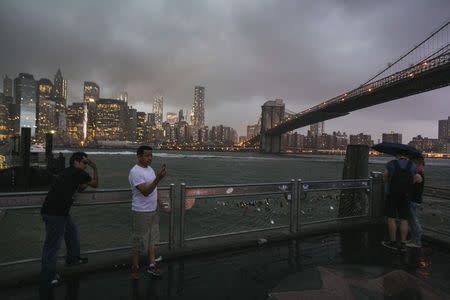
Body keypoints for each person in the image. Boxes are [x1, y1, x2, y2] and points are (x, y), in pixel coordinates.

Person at [40, 152, 98, 287]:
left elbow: (81, 187)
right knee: (52, 246)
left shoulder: (68, 171)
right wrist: (94, 167)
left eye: (87, 163)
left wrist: (84, 182)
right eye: (85, 163)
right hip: (56, 214)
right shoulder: (78, 172)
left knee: (72, 231)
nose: (86, 165)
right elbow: (95, 184)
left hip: (57, 212)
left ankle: (73, 259)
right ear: (76, 162)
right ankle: (48, 277)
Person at [129, 146, 168, 279]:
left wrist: (160, 202)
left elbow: (154, 189)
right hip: (140, 211)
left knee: (152, 241)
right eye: (146, 156)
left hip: (153, 210)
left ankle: (152, 265)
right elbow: (145, 192)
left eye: (151, 155)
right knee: (138, 241)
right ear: (139, 156)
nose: (149, 158)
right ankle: (135, 267)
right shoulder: (135, 172)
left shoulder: (150, 169)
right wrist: (158, 178)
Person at [382, 153, 416, 251]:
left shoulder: (391, 164)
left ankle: (392, 242)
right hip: (406, 195)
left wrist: (388, 181)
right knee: (404, 219)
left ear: (397, 155)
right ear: (407, 155)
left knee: (391, 218)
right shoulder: (412, 165)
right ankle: (403, 243)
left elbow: (385, 176)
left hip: (392, 194)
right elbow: (415, 178)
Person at [407, 157, 425, 248]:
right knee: (412, 221)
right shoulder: (419, 173)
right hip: (415, 200)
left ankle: (417, 242)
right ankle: (413, 239)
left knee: (414, 221)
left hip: (414, 201)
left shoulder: (418, 175)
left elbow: (409, 184)